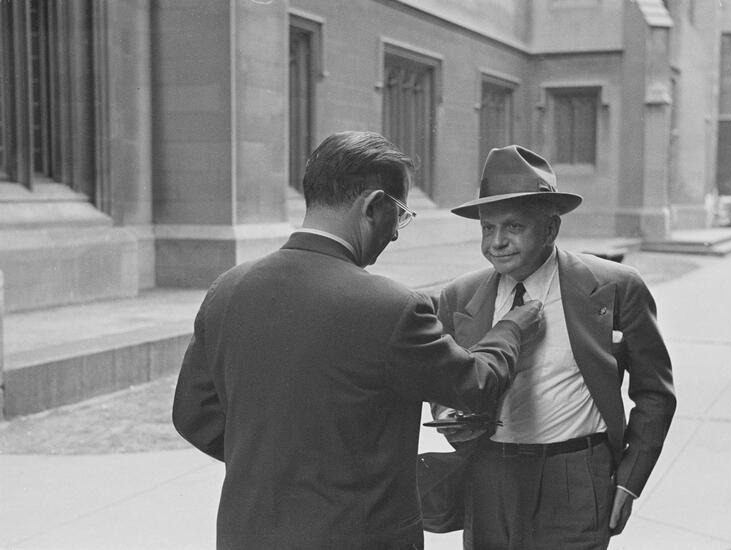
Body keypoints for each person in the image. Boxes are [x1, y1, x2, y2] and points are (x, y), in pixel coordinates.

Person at [172, 131, 543, 550]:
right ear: (373, 205)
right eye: (399, 214)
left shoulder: (227, 289)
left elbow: (193, 415)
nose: (396, 234)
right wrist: (512, 327)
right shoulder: (392, 308)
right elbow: (475, 385)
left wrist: (276, 469)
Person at [431, 145, 676, 550]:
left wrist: (629, 481)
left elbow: (655, 393)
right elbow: (443, 383)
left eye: (513, 226)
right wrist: (448, 413)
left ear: (550, 229)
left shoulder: (616, 287)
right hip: (489, 477)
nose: (496, 242)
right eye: (487, 228)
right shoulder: (460, 296)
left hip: (576, 476)